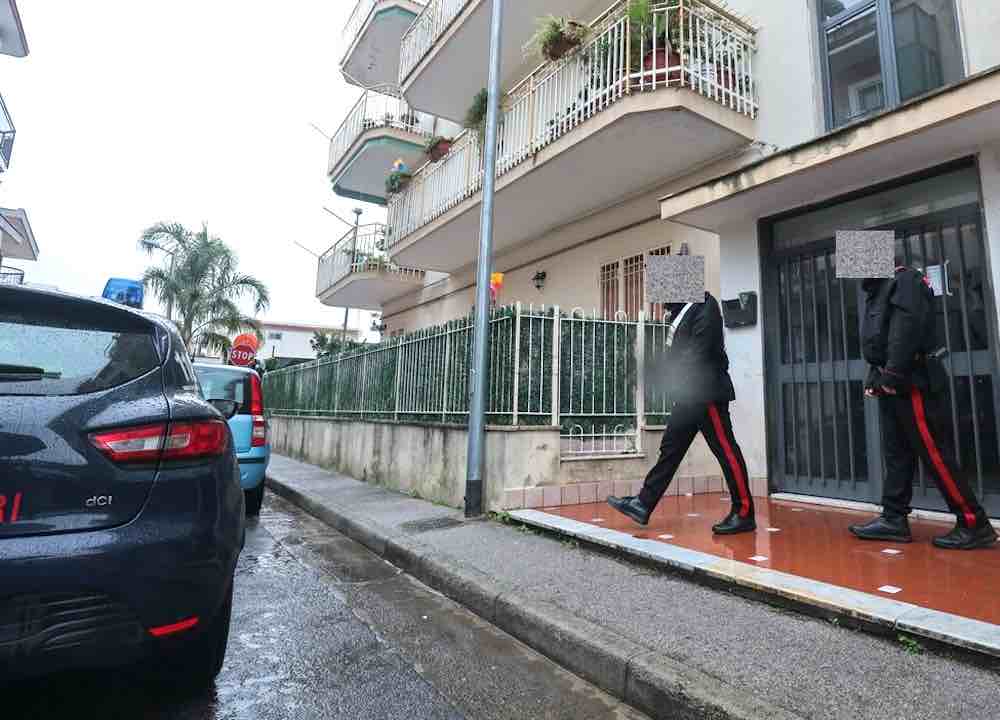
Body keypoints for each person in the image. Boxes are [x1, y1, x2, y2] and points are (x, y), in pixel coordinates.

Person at [849, 266, 997, 550]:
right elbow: (879, 340)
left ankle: (974, 523)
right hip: (892, 380)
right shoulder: (876, 290)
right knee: (897, 454)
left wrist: (891, 375)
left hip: (912, 380)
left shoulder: (904, 280)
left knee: (934, 452)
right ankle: (894, 519)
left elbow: (906, 329)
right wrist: (876, 376)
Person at [607, 290, 756, 535]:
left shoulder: (705, 305)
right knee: (670, 450)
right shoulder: (680, 311)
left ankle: (744, 512)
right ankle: (643, 503)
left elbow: (700, 349)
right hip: (688, 395)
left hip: (705, 391)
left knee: (726, 450)